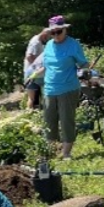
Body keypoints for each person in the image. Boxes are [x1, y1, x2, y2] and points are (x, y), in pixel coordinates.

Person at [41, 15, 88, 160]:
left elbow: (83, 64)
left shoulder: (73, 45)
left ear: (65, 29)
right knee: (49, 121)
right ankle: (51, 153)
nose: (56, 35)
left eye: (58, 31)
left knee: (67, 121)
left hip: (68, 88)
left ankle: (66, 153)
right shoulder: (48, 45)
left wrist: (85, 71)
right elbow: (46, 66)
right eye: (52, 32)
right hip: (49, 89)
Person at [23, 28, 52, 110]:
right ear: (44, 35)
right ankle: (45, 112)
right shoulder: (36, 43)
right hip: (36, 73)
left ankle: (30, 114)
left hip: (30, 73)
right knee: (45, 95)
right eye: (47, 37)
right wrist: (36, 69)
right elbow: (29, 56)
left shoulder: (36, 39)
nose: (47, 40)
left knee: (32, 98)